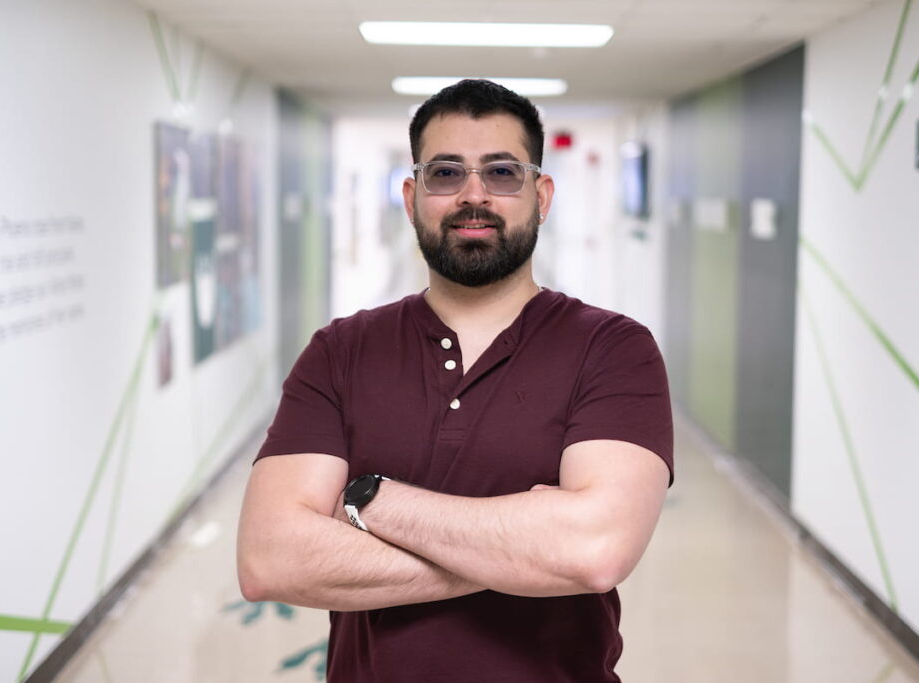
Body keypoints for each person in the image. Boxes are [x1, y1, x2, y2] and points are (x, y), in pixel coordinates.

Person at [237, 79, 674, 682]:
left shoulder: (613, 348)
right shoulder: (340, 351)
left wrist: (371, 500)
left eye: (501, 173)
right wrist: (526, 547)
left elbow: (594, 552)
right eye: (446, 174)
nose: (475, 196)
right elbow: (269, 559)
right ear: (413, 195)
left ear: (541, 196)